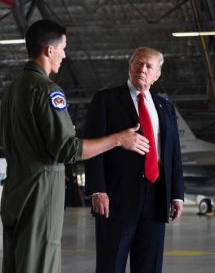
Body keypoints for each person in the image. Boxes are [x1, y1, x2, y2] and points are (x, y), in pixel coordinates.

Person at [0, 19, 150, 273]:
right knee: (40, 264)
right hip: (40, 191)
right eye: (63, 48)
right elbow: (67, 149)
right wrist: (118, 139)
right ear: (49, 50)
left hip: (15, 190)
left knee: (15, 264)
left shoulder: (13, 89)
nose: (64, 55)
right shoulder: (47, 90)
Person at [84, 47, 184, 273]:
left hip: (157, 198)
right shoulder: (106, 100)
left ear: (157, 75)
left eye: (149, 66)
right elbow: (92, 147)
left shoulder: (165, 107)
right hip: (116, 198)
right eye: (138, 63)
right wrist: (97, 190)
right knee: (111, 265)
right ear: (129, 66)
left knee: (149, 266)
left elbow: (173, 155)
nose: (142, 69)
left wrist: (177, 194)